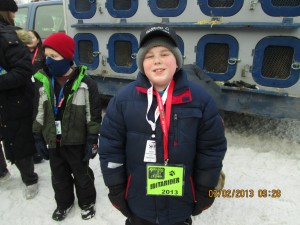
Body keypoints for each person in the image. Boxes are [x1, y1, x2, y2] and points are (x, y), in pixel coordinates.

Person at [99, 23, 227, 225]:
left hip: (181, 205)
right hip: (138, 204)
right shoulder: (122, 101)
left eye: (165, 53)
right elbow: (110, 148)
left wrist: (204, 190)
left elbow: (211, 150)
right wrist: (116, 189)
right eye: (149, 56)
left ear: (177, 60)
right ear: (142, 63)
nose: (157, 61)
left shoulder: (201, 100)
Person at [32, 32, 102, 221]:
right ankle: (64, 203)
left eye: (54, 56)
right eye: (46, 56)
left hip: (77, 141)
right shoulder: (43, 82)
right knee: (59, 177)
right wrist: (38, 136)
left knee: (82, 175)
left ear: (67, 57)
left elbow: (93, 116)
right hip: (54, 141)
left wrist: (92, 139)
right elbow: (39, 111)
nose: (49, 61)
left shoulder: (86, 84)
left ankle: (87, 202)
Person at [0, 0, 39, 199]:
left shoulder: (10, 36)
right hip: (10, 99)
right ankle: (3, 172)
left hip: (14, 99)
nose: (14, 16)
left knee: (19, 137)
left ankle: (30, 179)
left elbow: (23, 71)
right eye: (13, 12)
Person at [26, 29, 45, 164]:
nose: (29, 40)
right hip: (27, 91)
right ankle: (34, 150)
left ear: (38, 39)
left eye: (32, 37)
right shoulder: (21, 54)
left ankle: (42, 147)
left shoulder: (43, 54)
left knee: (41, 117)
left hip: (40, 89)